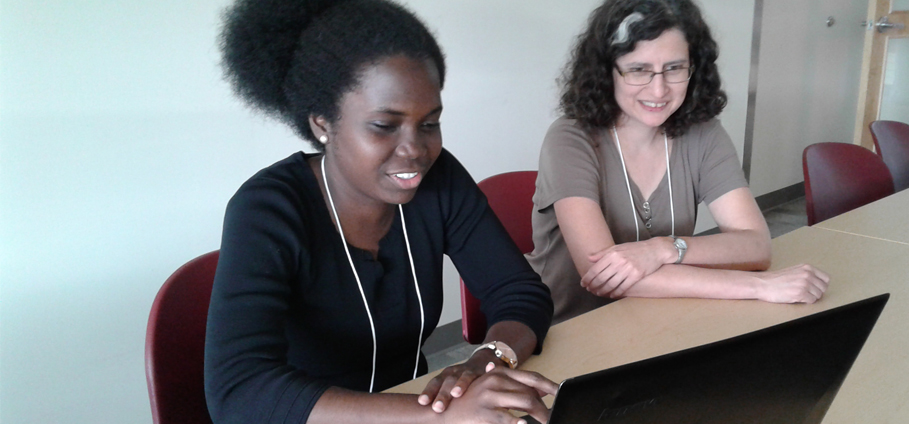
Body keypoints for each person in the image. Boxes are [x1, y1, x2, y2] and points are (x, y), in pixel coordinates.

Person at [204, 0, 557, 423]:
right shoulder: (267, 210)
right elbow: (241, 390)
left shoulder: (438, 179)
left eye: (429, 123)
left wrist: (487, 361)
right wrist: (439, 418)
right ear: (322, 123)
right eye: (384, 126)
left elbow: (520, 293)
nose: (415, 150)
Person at [527, 0, 830, 324]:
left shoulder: (703, 133)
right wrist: (759, 286)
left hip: (662, 318)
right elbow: (603, 274)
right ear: (606, 71)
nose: (659, 89)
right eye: (638, 69)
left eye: (674, 68)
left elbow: (756, 245)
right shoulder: (570, 138)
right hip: (567, 332)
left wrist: (665, 248)